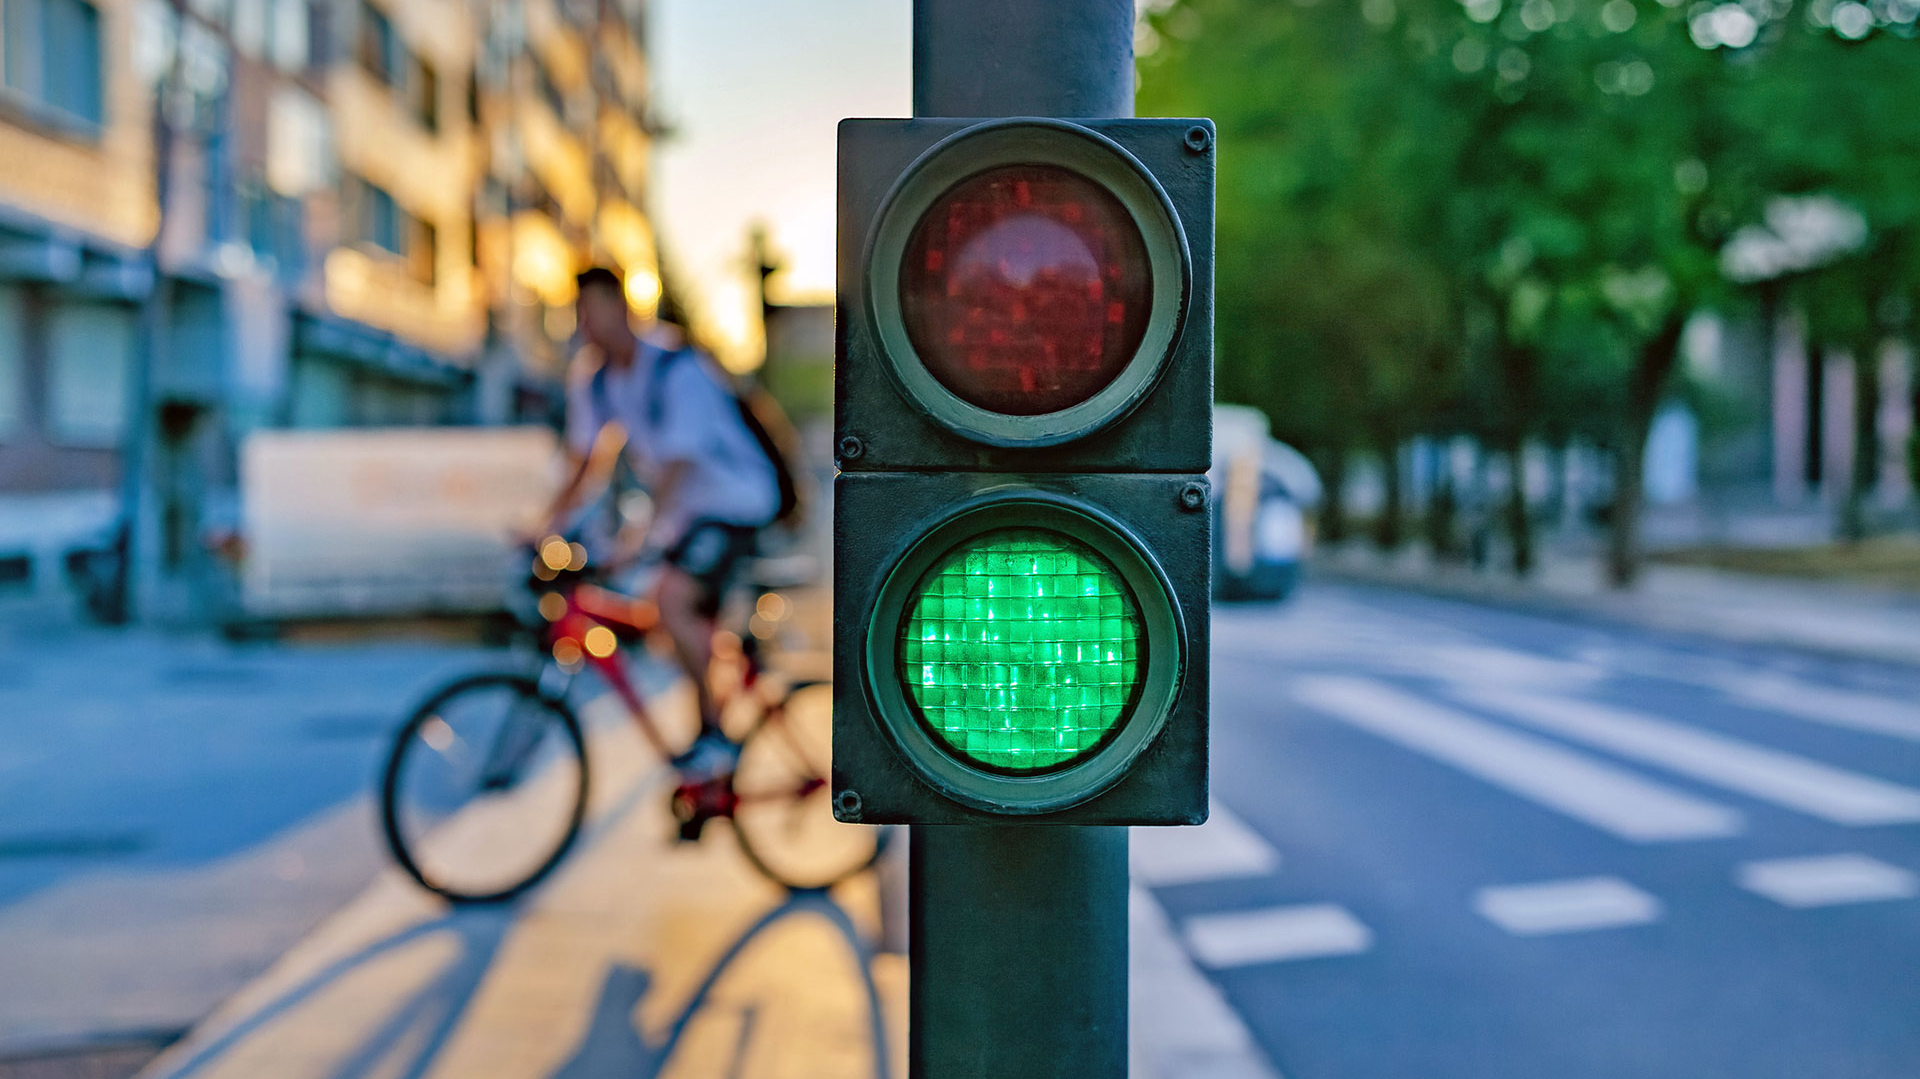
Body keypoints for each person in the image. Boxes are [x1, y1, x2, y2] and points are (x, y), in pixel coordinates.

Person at [540, 267, 781, 773]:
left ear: (623, 308)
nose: (584, 324)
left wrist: (640, 535)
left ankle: (716, 735)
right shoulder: (596, 379)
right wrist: (544, 527)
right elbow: (583, 462)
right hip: (687, 514)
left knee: (670, 597)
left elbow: (679, 463)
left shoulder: (677, 367)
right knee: (661, 611)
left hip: (733, 503)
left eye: (593, 310)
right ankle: (712, 707)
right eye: (577, 313)